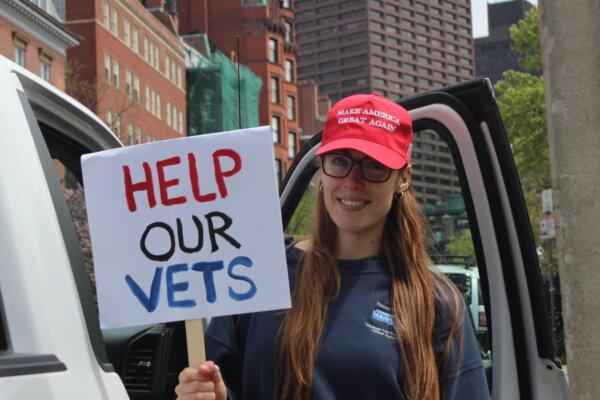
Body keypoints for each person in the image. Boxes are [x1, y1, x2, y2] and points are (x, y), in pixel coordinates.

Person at [175, 93, 490, 400]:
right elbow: (222, 382)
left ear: (403, 178)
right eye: (340, 161)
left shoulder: (437, 303)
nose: (353, 180)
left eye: (375, 165)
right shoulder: (257, 269)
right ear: (321, 168)